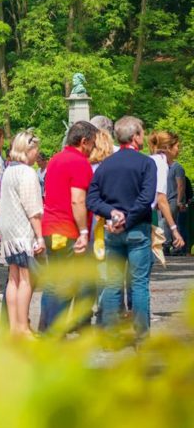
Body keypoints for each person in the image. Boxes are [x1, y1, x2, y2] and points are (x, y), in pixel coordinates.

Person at [87, 116, 157, 336]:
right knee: (138, 284)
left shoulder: (106, 165)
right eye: (142, 133)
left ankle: (110, 334)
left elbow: (92, 200)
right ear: (135, 136)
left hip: (112, 231)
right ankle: (141, 335)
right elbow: (146, 198)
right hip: (137, 230)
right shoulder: (146, 163)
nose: (143, 136)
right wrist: (128, 218)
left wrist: (112, 213)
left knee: (113, 284)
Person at [39, 121, 97, 332]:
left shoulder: (55, 159)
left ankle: (46, 327)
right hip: (67, 229)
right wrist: (83, 231)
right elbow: (77, 200)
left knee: (54, 281)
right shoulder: (79, 162)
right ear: (84, 141)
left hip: (50, 227)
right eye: (92, 143)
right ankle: (55, 332)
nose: (93, 149)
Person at [0, 132, 44, 335]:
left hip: (8, 231)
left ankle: (12, 328)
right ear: (29, 150)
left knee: (13, 279)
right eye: (36, 150)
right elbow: (33, 208)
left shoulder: (8, 170)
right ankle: (23, 328)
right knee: (26, 279)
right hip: (22, 232)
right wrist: (40, 236)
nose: (38, 154)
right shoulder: (27, 172)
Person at [149, 131, 186, 255]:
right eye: (177, 146)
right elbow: (161, 198)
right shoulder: (160, 163)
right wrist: (175, 230)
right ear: (167, 148)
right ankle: (166, 245)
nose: (178, 150)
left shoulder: (154, 160)